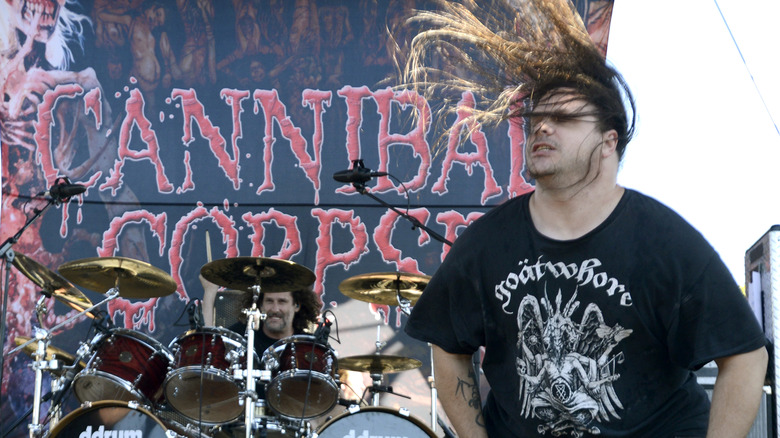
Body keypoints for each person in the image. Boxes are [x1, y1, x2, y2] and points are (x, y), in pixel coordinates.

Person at [401, 1, 768, 437]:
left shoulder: (665, 244)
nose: (541, 128)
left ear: (608, 141)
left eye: (563, 119)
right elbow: (447, 344)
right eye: (536, 119)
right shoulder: (486, 246)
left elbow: (745, 355)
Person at [200, 274, 321, 355]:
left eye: (282, 301)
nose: (275, 309)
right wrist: (209, 291)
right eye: (269, 301)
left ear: (297, 306)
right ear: (260, 305)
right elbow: (208, 350)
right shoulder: (243, 334)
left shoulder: (308, 346)